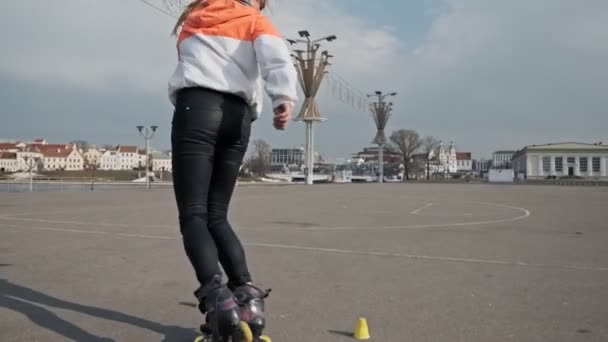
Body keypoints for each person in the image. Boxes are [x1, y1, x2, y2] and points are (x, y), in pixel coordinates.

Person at [167, 0, 298, 339]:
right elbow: (277, 57)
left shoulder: (196, 18)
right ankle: (247, 300)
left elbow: (191, 62)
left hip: (197, 108)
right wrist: (283, 97)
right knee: (217, 216)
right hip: (238, 119)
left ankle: (217, 301)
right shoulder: (255, 21)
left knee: (194, 214)